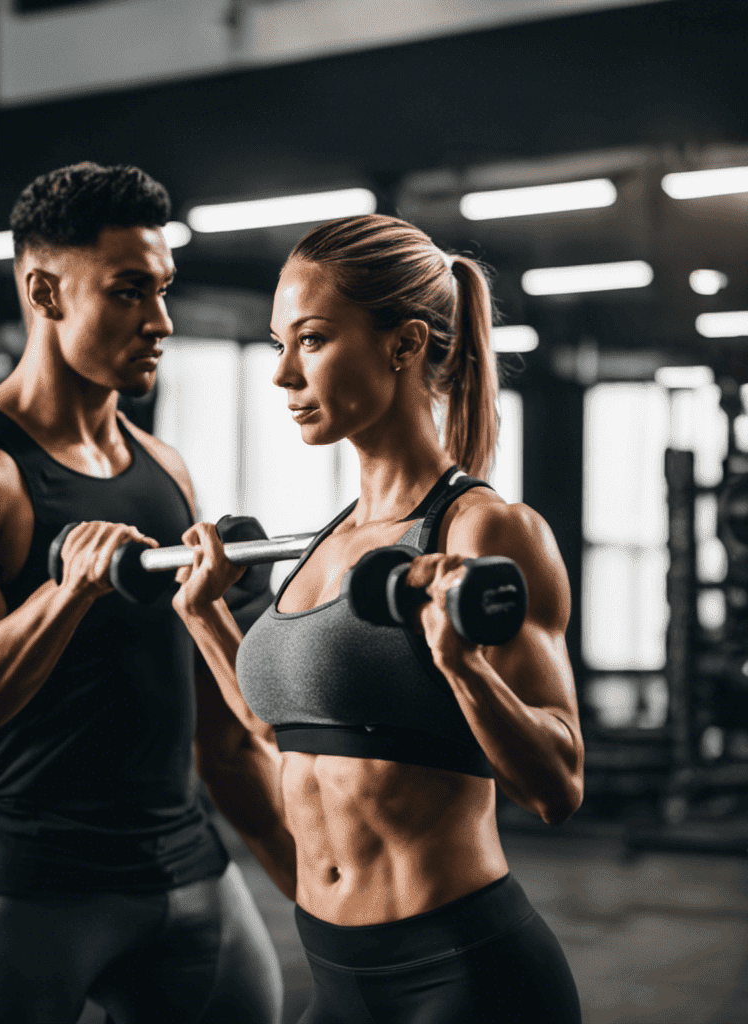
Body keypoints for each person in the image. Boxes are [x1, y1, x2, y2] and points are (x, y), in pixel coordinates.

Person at [0, 162, 282, 1024]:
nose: (161, 321)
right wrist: (66, 595)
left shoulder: (166, 470)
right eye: (130, 292)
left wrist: (320, 884)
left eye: (164, 290)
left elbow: (221, 730)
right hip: (26, 888)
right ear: (45, 292)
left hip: (187, 875)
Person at [171, 214, 584, 1023]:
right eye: (278, 343)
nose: (284, 374)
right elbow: (279, 732)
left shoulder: (483, 530)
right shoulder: (329, 540)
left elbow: (560, 783)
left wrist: (462, 666)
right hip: (335, 973)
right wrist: (206, 616)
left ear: (403, 344)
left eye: (313, 340)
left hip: (463, 974)